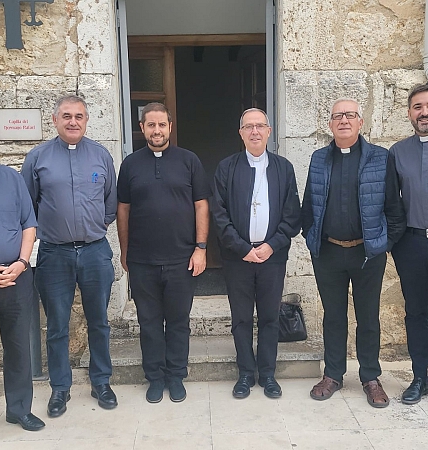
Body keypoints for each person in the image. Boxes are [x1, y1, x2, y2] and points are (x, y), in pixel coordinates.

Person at [302, 98, 406, 408]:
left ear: (361, 122)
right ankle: (333, 374)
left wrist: (383, 244)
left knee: (368, 317)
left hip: (367, 254)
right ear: (330, 124)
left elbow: (394, 208)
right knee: (333, 317)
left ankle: (370, 377)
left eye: (350, 115)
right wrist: (311, 238)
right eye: (337, 116)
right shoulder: (319, 158)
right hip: (329, 253)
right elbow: (309, 204)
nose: (344, 120)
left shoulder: (380, 157)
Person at [21, 95, 118, 417]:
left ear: (86, 120)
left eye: (79, 116)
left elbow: (110, 202)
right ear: (55, 120)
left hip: (94, 251)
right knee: (58, 326)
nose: (73, 121)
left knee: (99, 322)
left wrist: (95, 225)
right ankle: (60, 388)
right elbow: (28, 207)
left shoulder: (101, 155)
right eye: (66, 116)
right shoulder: (38, 158)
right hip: (54, 254)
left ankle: (101, 381)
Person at [117, 102, 211, 403]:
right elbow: (123, 209)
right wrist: (125, 251)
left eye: (162, 124)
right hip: (143, 260)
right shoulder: (130, 164)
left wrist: (201, 248)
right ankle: (155, 378)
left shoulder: (189, 161)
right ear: (142, 128)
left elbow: (201, 205)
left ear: (170, 127)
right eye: (150, 125)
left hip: (182, 259)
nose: (156, 130)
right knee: (149, 323)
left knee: (179, 322)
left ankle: (176, 376)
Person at [212, 108, 301, 399]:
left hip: (272, 256)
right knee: (240, 318)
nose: (254, 132)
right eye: (248, 127)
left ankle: (268, 374)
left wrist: (271, 245)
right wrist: (242, 248)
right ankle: (245, 373)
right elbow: (219, 214)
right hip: (238, 258)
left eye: (259, 126)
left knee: (269, 317)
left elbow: (292, 215)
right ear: (240, 133)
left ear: (269, 131)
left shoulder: (283, 168)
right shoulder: (227, 167)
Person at [0, 121, 45, 448]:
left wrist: (20, 263)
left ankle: (19, 409)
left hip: (16, 278)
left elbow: (28, 224)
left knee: (19, 348)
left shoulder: (12, 178)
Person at [390, 83, 428, 404]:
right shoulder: (398, 152)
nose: (424, 112)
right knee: (415, 312)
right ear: (409, 113)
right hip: (413, 243)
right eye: (417, 107)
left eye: (427, 106)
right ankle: (419, 377)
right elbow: (391, 202)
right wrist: (395, 242)